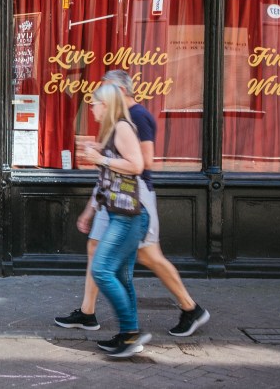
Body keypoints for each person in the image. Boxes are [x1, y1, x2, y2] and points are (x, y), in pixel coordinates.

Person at [55, 70, 210, 338]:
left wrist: (104, 157)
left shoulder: (137, 117)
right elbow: (110, 168)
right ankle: (88, 312)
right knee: (95, 246)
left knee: (147, 256)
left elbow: (144, 162)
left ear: (121, 91)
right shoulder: (115, 119)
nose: (98, 100)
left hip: (135, 197)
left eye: (105, 91)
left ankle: (190, 307)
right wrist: (91, 206)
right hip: (113, 194)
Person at [76, 83, 151, 358]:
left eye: (94, 104)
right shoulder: (111, 130)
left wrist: (101, 159)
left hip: (129, 217)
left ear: (106, 104)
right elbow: (105, 181)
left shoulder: (122, 127)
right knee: (121, 275)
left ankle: (131, 334)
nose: (92, 109)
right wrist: (89, 211)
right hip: (120, 214)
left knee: (102, 270)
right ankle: (128, 334)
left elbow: (137, 165)